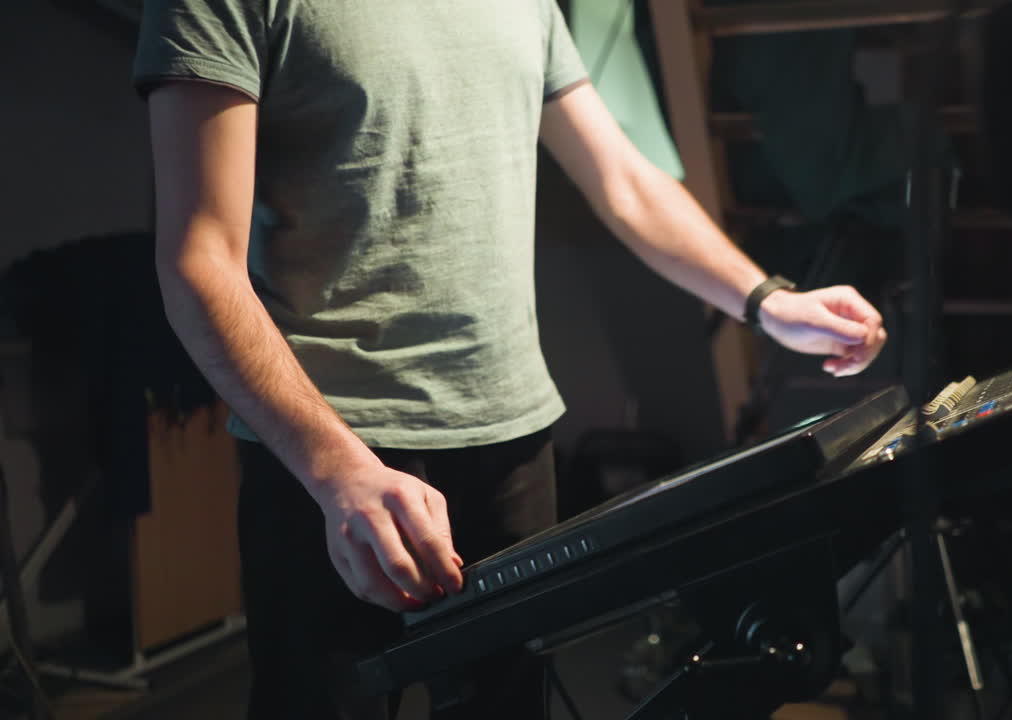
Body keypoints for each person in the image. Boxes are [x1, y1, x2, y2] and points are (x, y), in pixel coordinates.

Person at [133, 0, 887, 717]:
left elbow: (623, 179)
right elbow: (200, 261)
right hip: (329, 460)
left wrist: (766, 300)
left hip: (512, 444)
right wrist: (336, 471)